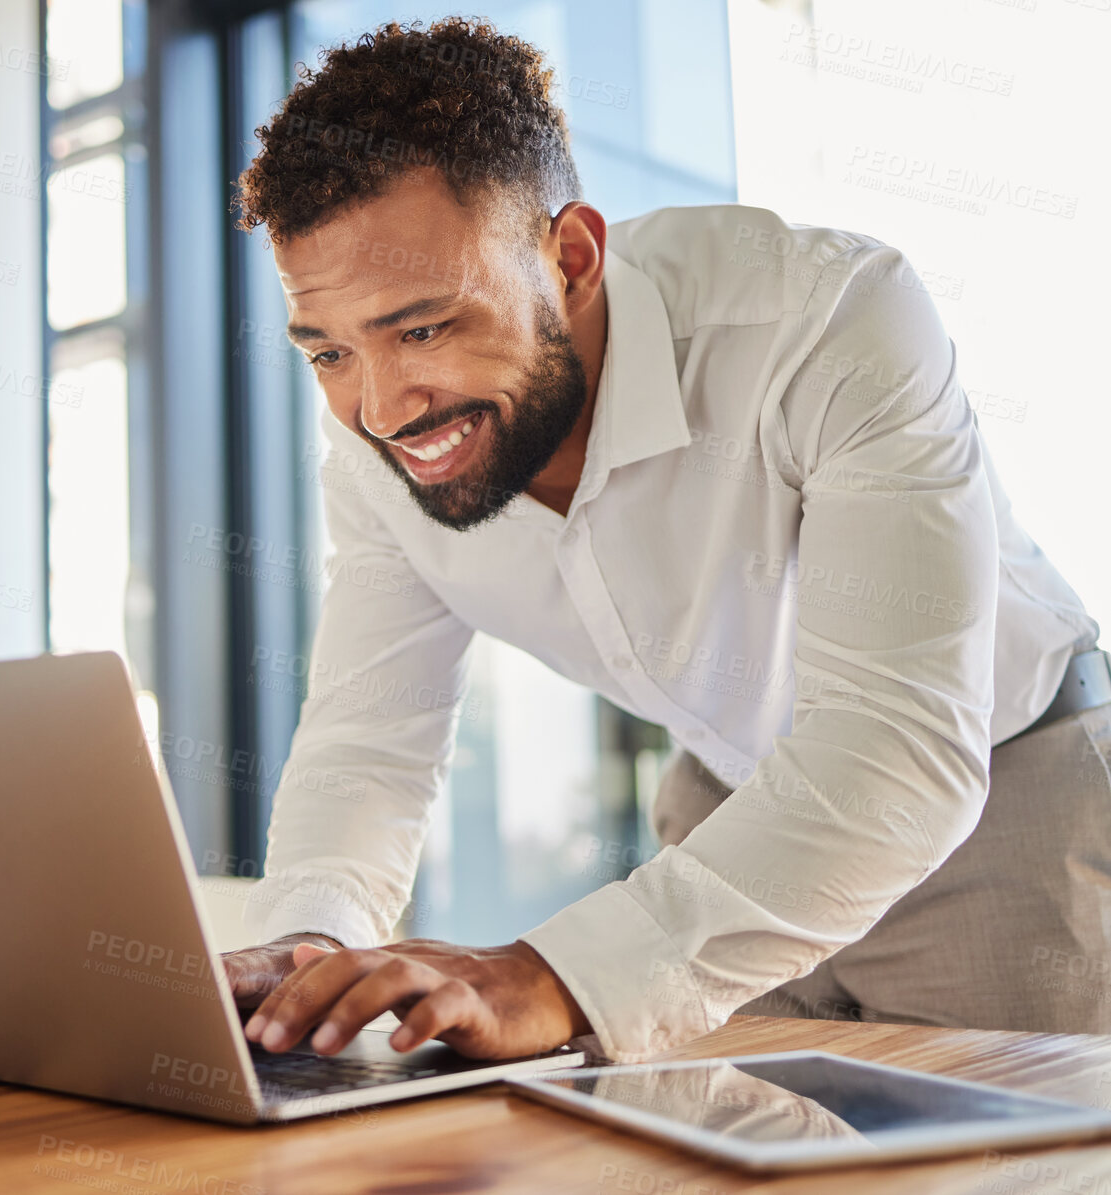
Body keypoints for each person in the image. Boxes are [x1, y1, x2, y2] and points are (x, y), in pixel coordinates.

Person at [218, 17, 1110, 1066]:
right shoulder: (379, 440)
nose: (379, 407)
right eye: (326, 348)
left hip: (998, 794)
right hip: (725, 803)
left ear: (572, 256)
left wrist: (554, 973)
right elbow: (369, 740)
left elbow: (897, 743)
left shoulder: (825, 317)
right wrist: (311, 941)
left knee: (1015, 1168)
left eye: (423, 328)